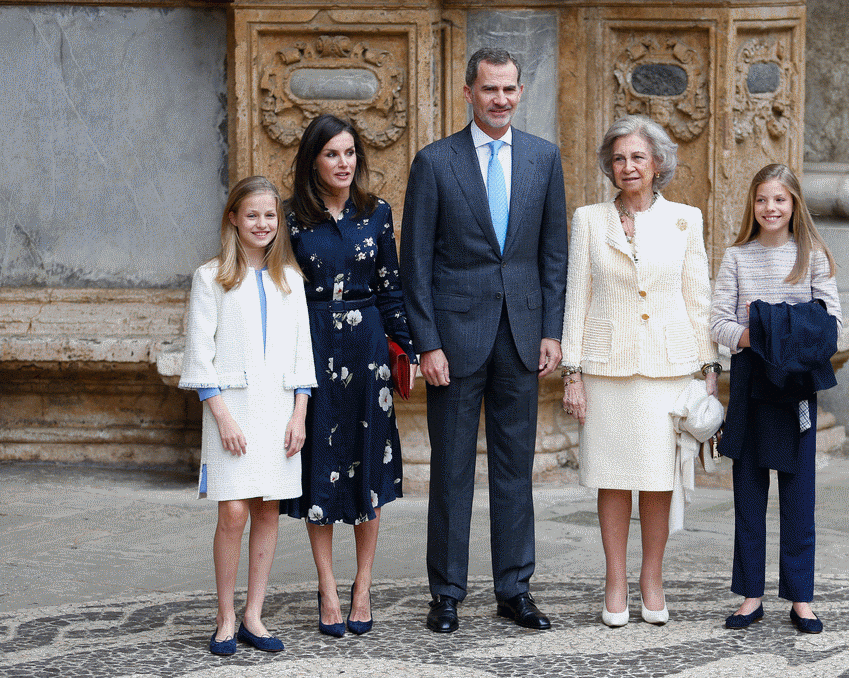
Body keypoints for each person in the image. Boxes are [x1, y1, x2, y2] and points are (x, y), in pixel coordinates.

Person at [400, 47, 568, 633]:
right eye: (490, 89)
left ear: (521, 93)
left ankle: (514, 589)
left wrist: (552, 329)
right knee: (449, 469)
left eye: (510, 90)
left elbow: (553, 254)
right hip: (453, 338)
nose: (500, 100)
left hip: (522, 336)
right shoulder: (435, 162)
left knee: (514, 468)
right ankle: (446, 592)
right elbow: (414, 263)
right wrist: (426, 343)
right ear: (468, 92)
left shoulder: (544, 160)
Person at [560, 115, 719, 627]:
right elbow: (577, 298)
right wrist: (572, 372)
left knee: (657, 479)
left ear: (657, 165)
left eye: (639, 158)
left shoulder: (685, 220)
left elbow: (698, 298)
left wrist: (709, 369)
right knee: (612, 477)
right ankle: (615, 581)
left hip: (669, 369)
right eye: (620, 158)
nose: (629, 166)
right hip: (607, 368)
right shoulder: (588, 220)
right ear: (610, 165)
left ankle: (653, 578)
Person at [279, 114, 417, 638]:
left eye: (350, 153)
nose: (344, 163)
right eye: (333, 153)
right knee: (321, 464)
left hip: (367, 351)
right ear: (313, 159)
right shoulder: (291, 218)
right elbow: (282, 289)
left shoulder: (376, 213)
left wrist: (409, 349)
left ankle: (363, 584)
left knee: (368, 465)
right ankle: (328, 586)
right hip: (313, 344)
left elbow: (390, 286)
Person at [179, 176, 317, 655]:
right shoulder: (211, 277)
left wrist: (299, 415)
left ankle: (253, 616)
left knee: (268, 509)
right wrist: (223, 418)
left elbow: (304, 355)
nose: (263, 223)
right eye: (253, 214)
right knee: (234, 512)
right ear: (234, 219)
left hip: (280, 410)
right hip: (231, 410)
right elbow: (200, 355)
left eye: (271, 215)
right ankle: (224, 615)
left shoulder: (290, 279)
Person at [710, 163, 842, 634]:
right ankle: (751, 595)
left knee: (798, 497)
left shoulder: (812, 256)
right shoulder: (737, 257)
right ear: (753, 204)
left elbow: (831, 325)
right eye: (763, 199)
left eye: (780, 200)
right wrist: (766, 334)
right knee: (748, 496)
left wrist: (770, 327)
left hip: (794, 390)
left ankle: (801, 598)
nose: (771, 208)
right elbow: (719, 323)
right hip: (749, 384)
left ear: (794, 205)